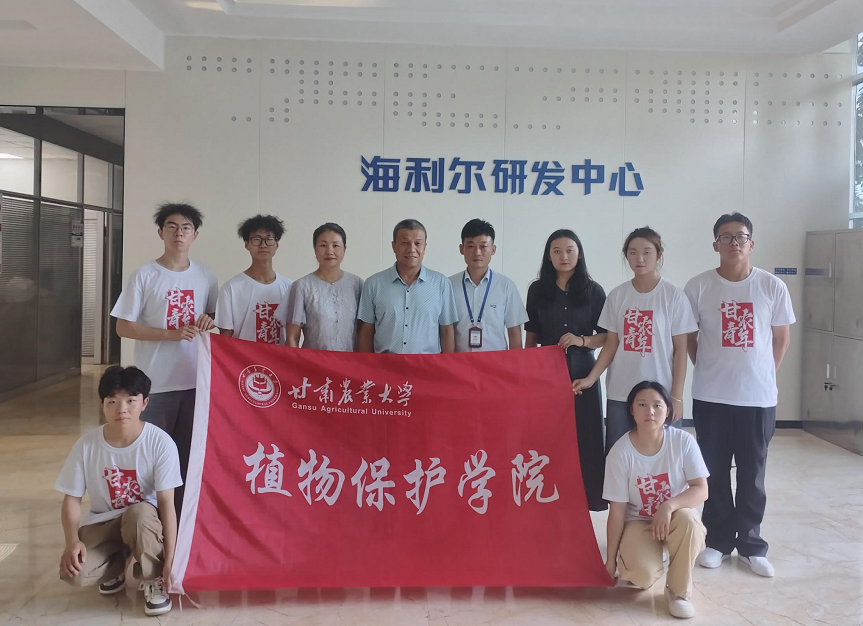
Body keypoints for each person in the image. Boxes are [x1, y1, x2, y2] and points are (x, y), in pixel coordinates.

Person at [685, 212, 794, 578]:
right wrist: (710, 368)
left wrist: (761, 375)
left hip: (757, 399)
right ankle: (717, 540)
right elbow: (690, 339)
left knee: (752, 473)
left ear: (751, 243)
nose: (734, 242)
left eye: (740, 236)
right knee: (713, 471)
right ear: (715, 243)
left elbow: (780, 340)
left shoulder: (771, 286)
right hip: (711, 397)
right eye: (726, 236)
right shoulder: (699, 286)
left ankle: (751, 544)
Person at [111, 203, 217, 518]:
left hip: (195, 382)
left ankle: (180, 525)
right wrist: (169, 334)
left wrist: (208, 321)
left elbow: (212, 316)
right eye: (171, 226)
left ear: (195, 234)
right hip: (155, 385)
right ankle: (146, 524)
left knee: (187, 458)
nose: (178, 233)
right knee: (150, 457)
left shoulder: (206, 276)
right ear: (160, 232)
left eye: (186, 228)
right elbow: (122, 326)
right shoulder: (145, 275)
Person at [56, 366, 181, 617]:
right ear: (102, 404)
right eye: (112, 401)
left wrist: (170, 560)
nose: (121, 409)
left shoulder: (160, 443)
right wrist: (72, 542)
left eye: (130, 401)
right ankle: (118, 564)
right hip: (104, 523)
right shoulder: (86, 445)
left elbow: (167, 503)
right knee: (75, 573)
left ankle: (153, 577)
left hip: (144, 523)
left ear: (144, 403)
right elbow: (72, 498)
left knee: (138, 513)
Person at [573, 227, 697, 452]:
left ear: (658, 255)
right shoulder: (618, 295)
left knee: (663, 457)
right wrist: (591, 378)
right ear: (626, 256)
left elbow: (681, 350)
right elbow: (612, 344)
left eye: (647, 252)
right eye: (633, 252)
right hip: (621, 392)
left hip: (660, 394)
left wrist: (676, 396)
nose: (640, 259)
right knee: (618, 455)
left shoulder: (674, 296)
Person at [603, 381, 708, 620]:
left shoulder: (683, 441)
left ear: (667, 410)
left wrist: (668, 506)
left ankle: (678, 593)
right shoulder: (620, 453)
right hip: (638, 522)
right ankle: (651, 555)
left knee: (689, 521)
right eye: (642, 405)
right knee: (641, 576)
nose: (650, 411)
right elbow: (617, 512)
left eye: (657, 405)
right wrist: (609, 563)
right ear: (631, 410)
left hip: (675, 517)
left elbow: (701, 489)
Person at [525, 229, 607, 511]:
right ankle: (549, 494)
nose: (564, 256)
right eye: (557, 251)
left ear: (579, 253)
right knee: (548, 434)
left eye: (570, 250)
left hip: (584, 370)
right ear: (548, 256)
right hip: (546, 371)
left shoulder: (593, 290)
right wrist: (528, 373)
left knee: (586, 433)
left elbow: (608, 336)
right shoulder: (538, 290)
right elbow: (531, 335)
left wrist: (582, 340)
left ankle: (586, 498)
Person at [357, 219, 458, 354]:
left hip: (426, 364)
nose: (411, 249)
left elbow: (447, 330)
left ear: (425, 247)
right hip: (385, 364)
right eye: (405, 243)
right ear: (394, 246)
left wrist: (446, 365)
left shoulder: (441, 284)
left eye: (417, 243)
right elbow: (366, 331)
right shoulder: (373, 284)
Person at [449, 219, 528, 352]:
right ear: (461, 249)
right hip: (460, 362)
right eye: (471, 246)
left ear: (493, 249)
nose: (477, 252)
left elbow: (514, 333)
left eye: (483, 246)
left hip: (495, 362)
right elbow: (445, 330)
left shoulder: (506, 286)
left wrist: (515, 363)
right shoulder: (449, 285)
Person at [216, 215, 292, 345]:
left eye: (269, 239)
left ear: (277, 245)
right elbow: (225, 340)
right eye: (256, 239)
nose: (263, 245)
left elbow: (293, 334)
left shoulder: (290, 287)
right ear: (247, 244)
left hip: (279, 358)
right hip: (244, 358)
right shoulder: (232, 288)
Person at [286, 223, 363, 351]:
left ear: (344, 249)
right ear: (314, 249)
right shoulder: (302, 286)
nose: (329, 252)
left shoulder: (357, 284)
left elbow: (364, 332)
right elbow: (292, 337)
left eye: (335, 245)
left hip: (350, 361)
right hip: (314, 361)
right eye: (323, 245)